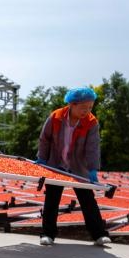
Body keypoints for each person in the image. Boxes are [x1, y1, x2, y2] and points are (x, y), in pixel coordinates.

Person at [35, 87, 111, 247]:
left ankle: (99, 235)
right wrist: (42, 158)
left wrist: (92, 169)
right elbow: (45, 139)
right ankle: (48, 234)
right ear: (72, 104)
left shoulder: (91, 122)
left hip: (78, 167)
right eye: (84, 108)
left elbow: (93, 147)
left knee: (87, 200)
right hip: (56, 164)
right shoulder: (55, 117)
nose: (87, 111)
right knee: (52, 200)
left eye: (90, 107)